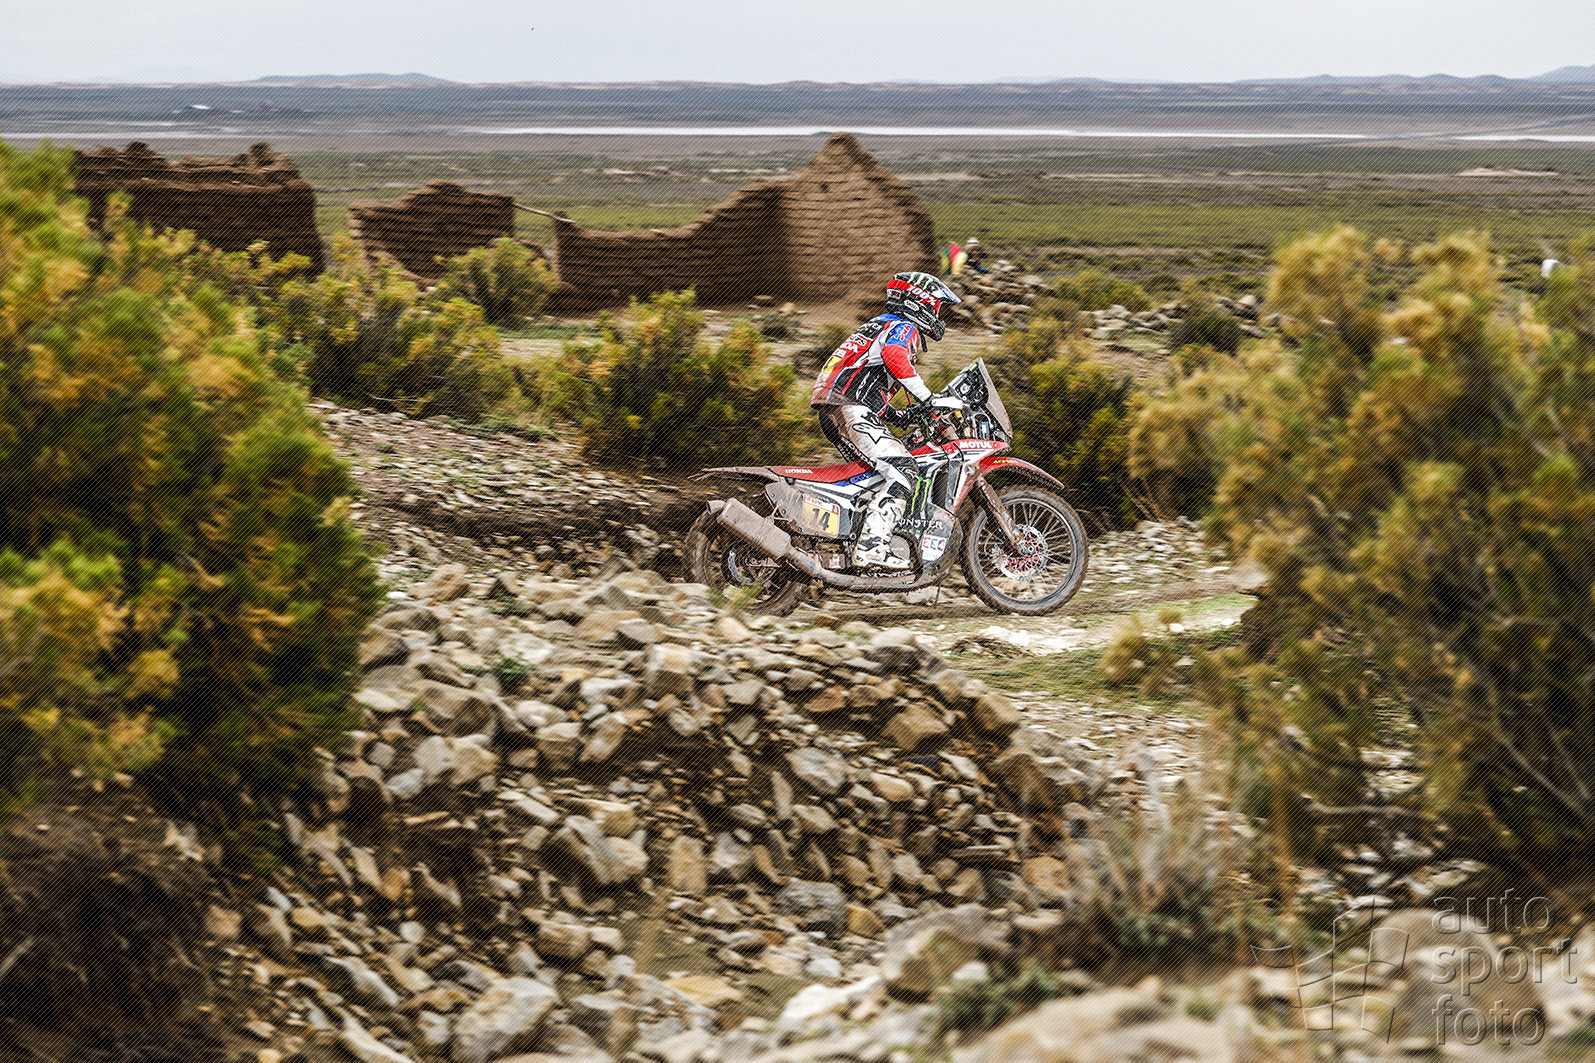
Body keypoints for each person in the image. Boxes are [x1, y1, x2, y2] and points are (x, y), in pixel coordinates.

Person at [811, 271, 965, 568]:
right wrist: (928, 398)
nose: (938, 316)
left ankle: (848, 543)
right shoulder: (903, 327)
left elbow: (865, 382)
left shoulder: (879, 324)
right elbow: (894, 355)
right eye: (937, 308)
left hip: (839, 409)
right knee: (903, 470)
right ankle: (872, 549)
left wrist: (900, 416)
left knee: (873, 479)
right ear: (920, 303)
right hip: (850, 409)